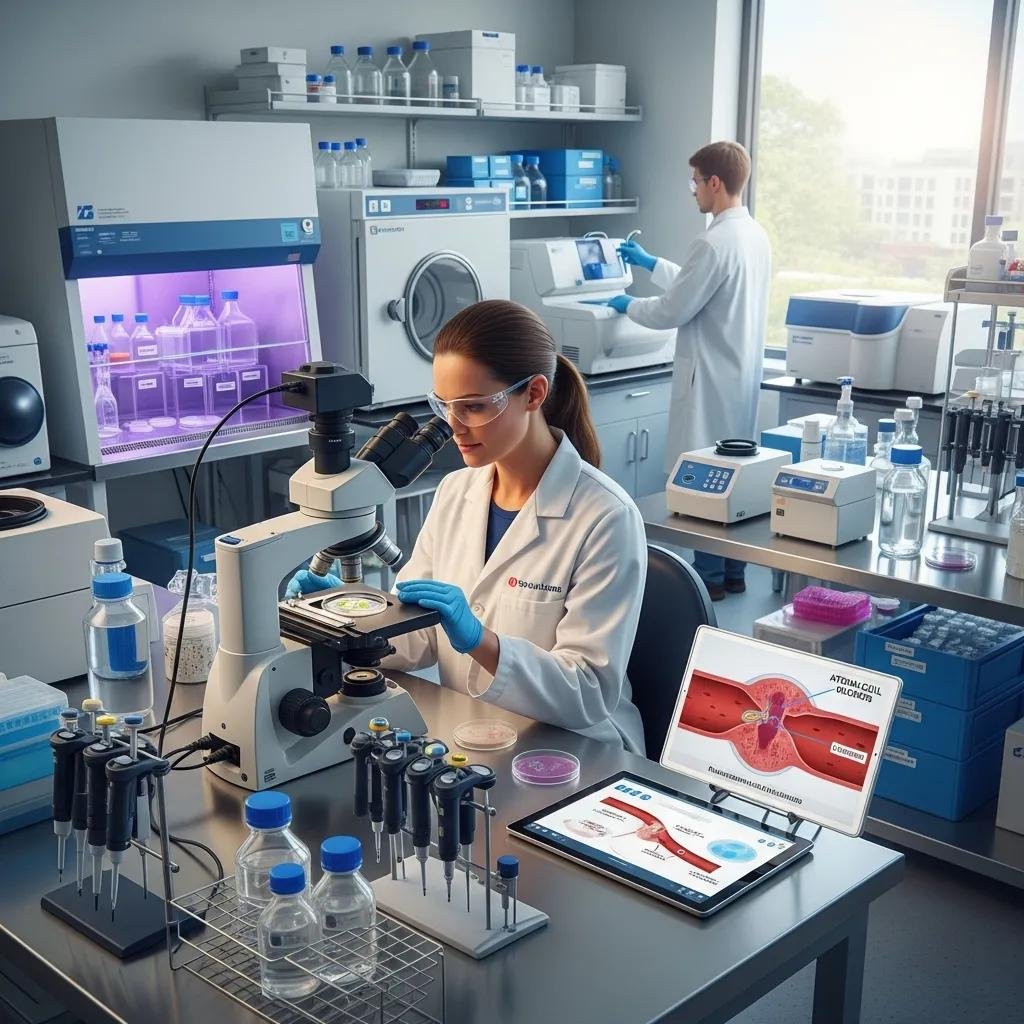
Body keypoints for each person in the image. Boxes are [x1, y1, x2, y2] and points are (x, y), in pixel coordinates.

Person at [288, 299, 648, 753]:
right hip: (471, 733)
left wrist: (482, 642)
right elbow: (417, 637)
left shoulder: (606, 517)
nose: (454, 426)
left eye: (474, 406)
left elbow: (588, 693)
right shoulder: (457, 491)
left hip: (576, 750)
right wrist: (336, 617)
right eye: (444, 405)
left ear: (534, 394)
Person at [605, 141, 771, 601]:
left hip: (709, 382)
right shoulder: (751, 235)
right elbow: (701, 284)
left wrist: (626, 303)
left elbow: (673, 308)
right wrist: (651, 263)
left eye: (695, 181)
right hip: (736, 378)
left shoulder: (713, 240)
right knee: (733, 482)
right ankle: (734, 574)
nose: (692, 190)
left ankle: (711, 582)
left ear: (714, 182)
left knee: (701, 483)